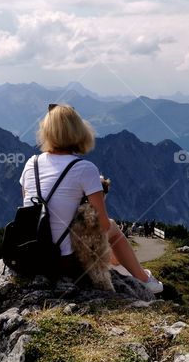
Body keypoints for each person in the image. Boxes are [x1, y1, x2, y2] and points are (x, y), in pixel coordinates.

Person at [19, 104, 163, 294]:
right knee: (111, 227)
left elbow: (31, 207)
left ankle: (118, 265)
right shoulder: (84, 168)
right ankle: (144, 279)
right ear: (79, 131)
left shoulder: (31, 163)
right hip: (63, 262)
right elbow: (101, 224)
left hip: (30, 258)